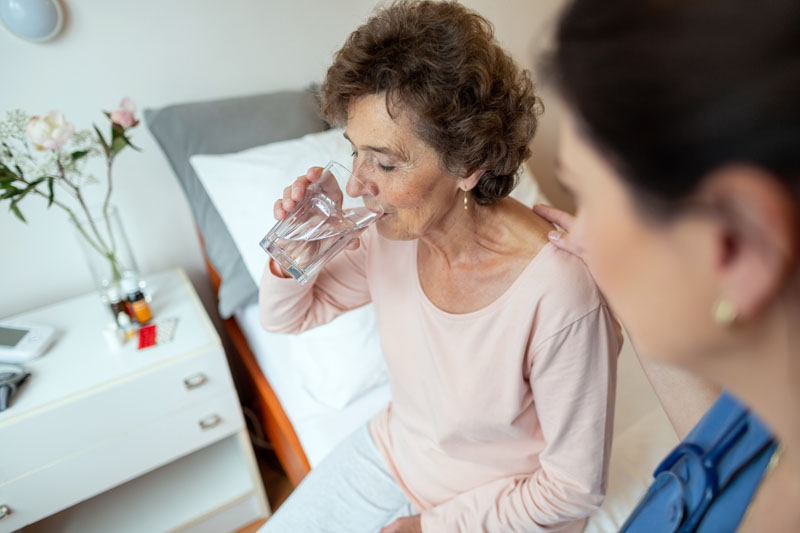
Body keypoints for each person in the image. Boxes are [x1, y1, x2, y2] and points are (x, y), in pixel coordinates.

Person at [258, 2, 620, 532]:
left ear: (468, 164)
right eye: (355, 152)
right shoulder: (390, 232)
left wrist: (431, 528)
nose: (358, 183)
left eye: (383, 162)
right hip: (392, 457)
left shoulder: (559, 294)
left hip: (506, 506)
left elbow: (572, 489)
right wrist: (298, 253)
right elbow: (287, 319)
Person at [534, 0, 800, 530]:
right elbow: (717, 461)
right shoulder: (764, 407)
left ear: (735, 242)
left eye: (583, 194)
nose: (580, 233)